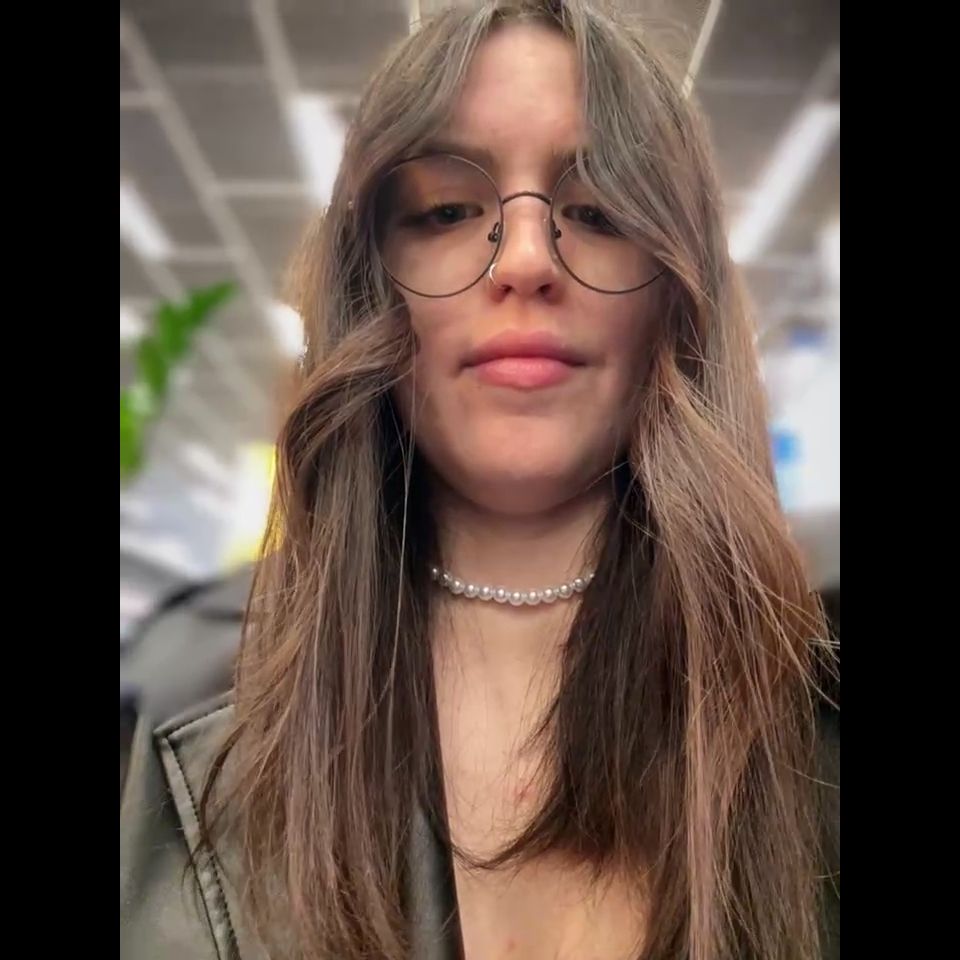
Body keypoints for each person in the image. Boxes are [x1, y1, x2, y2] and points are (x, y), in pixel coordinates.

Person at [120, 2, 839, 958]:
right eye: (448, 211)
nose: (528, 260)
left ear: (677, 294)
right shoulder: (176, 710)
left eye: (599, 211)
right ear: (372, 284)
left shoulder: (817, 702)